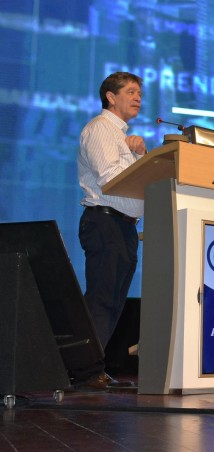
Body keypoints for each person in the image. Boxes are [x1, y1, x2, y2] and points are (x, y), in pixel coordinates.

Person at [72, 71, 147, 391]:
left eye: (139, 93)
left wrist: (139, 155)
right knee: (102, 300)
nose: (137, 98)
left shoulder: (125, 137)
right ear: (110, 97)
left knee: (114, 302)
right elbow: (111, 179)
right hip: (105, 222)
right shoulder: (101, 129)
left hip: (123, 226)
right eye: (130, 91)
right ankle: (83, 370)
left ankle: (92, 368)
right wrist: (139, 160)